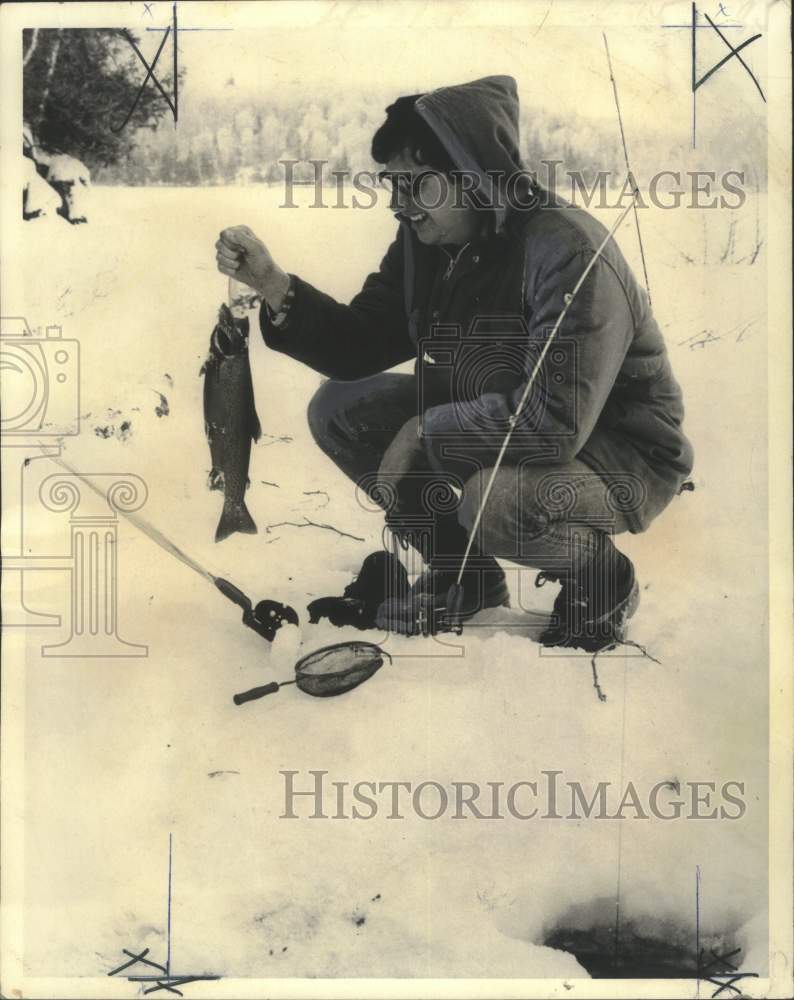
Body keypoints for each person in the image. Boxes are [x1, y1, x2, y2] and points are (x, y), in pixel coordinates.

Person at [215, 75, 694, 651]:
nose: (400, 206)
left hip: (616, 454)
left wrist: (423, 428)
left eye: (415, 185)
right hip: (502, 428)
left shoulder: (567, 252)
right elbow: (360, 342)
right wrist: (273, 285)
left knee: (497, 501)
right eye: (391, 184)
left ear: (474, 174)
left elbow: (553, 424)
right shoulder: (428, 241)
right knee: (341, 409)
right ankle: (464, 576)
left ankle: (601, 577)